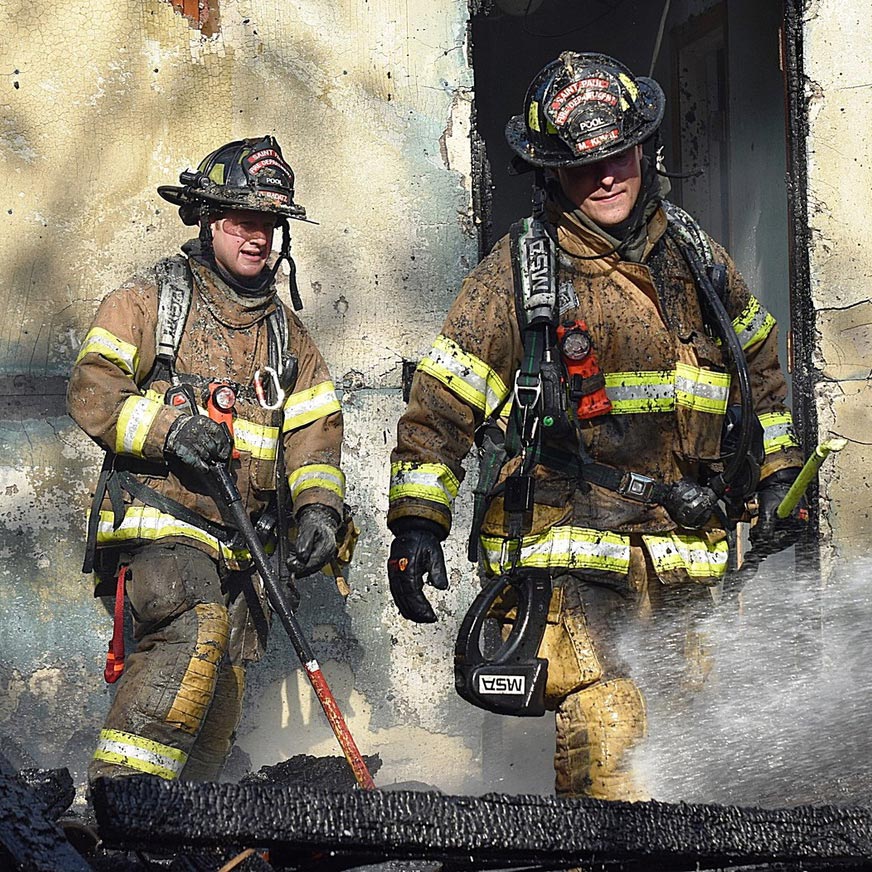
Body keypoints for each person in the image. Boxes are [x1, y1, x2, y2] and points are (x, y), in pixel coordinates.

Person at [386, 52, 806, 801]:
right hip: (570, 550)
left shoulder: (698, 257)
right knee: (611, 722)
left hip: (684, 556)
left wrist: (777, 475)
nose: (607, 177)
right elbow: (442, 403)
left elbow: (761, 370)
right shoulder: (521, 272)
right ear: (550, 173)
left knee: (684, 737)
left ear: (643, 147)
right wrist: (418, 524)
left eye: (619, 156)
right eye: (584, 169)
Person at [68, 136, 346, 782]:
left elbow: (314, 435)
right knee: (193, 632)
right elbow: (93, 390)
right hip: (159, 530)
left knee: (217, 698)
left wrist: (320, 511)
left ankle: (183, 833)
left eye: (270, 225)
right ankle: (119, 801)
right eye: (243, 221)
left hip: (242, 548)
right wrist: (170, 430)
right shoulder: (150, 302)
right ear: (209, 220)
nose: (258, 238)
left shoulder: (285, 334)